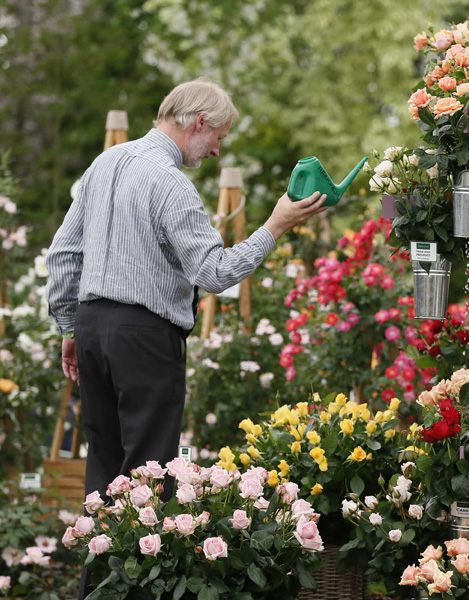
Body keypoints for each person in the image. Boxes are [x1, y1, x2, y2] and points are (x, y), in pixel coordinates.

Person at [45, 79, 325, 595]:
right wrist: (275, 225)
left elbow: (63, 252)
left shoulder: (104, 163)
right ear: (199, 123)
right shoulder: (170, 183)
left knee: (104, 476)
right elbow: (215, 272)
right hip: (144, 337)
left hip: (90, 328)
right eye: (218, 135)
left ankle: (95, 593)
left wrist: (68, 325)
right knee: (149, 478)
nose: (217, 148)